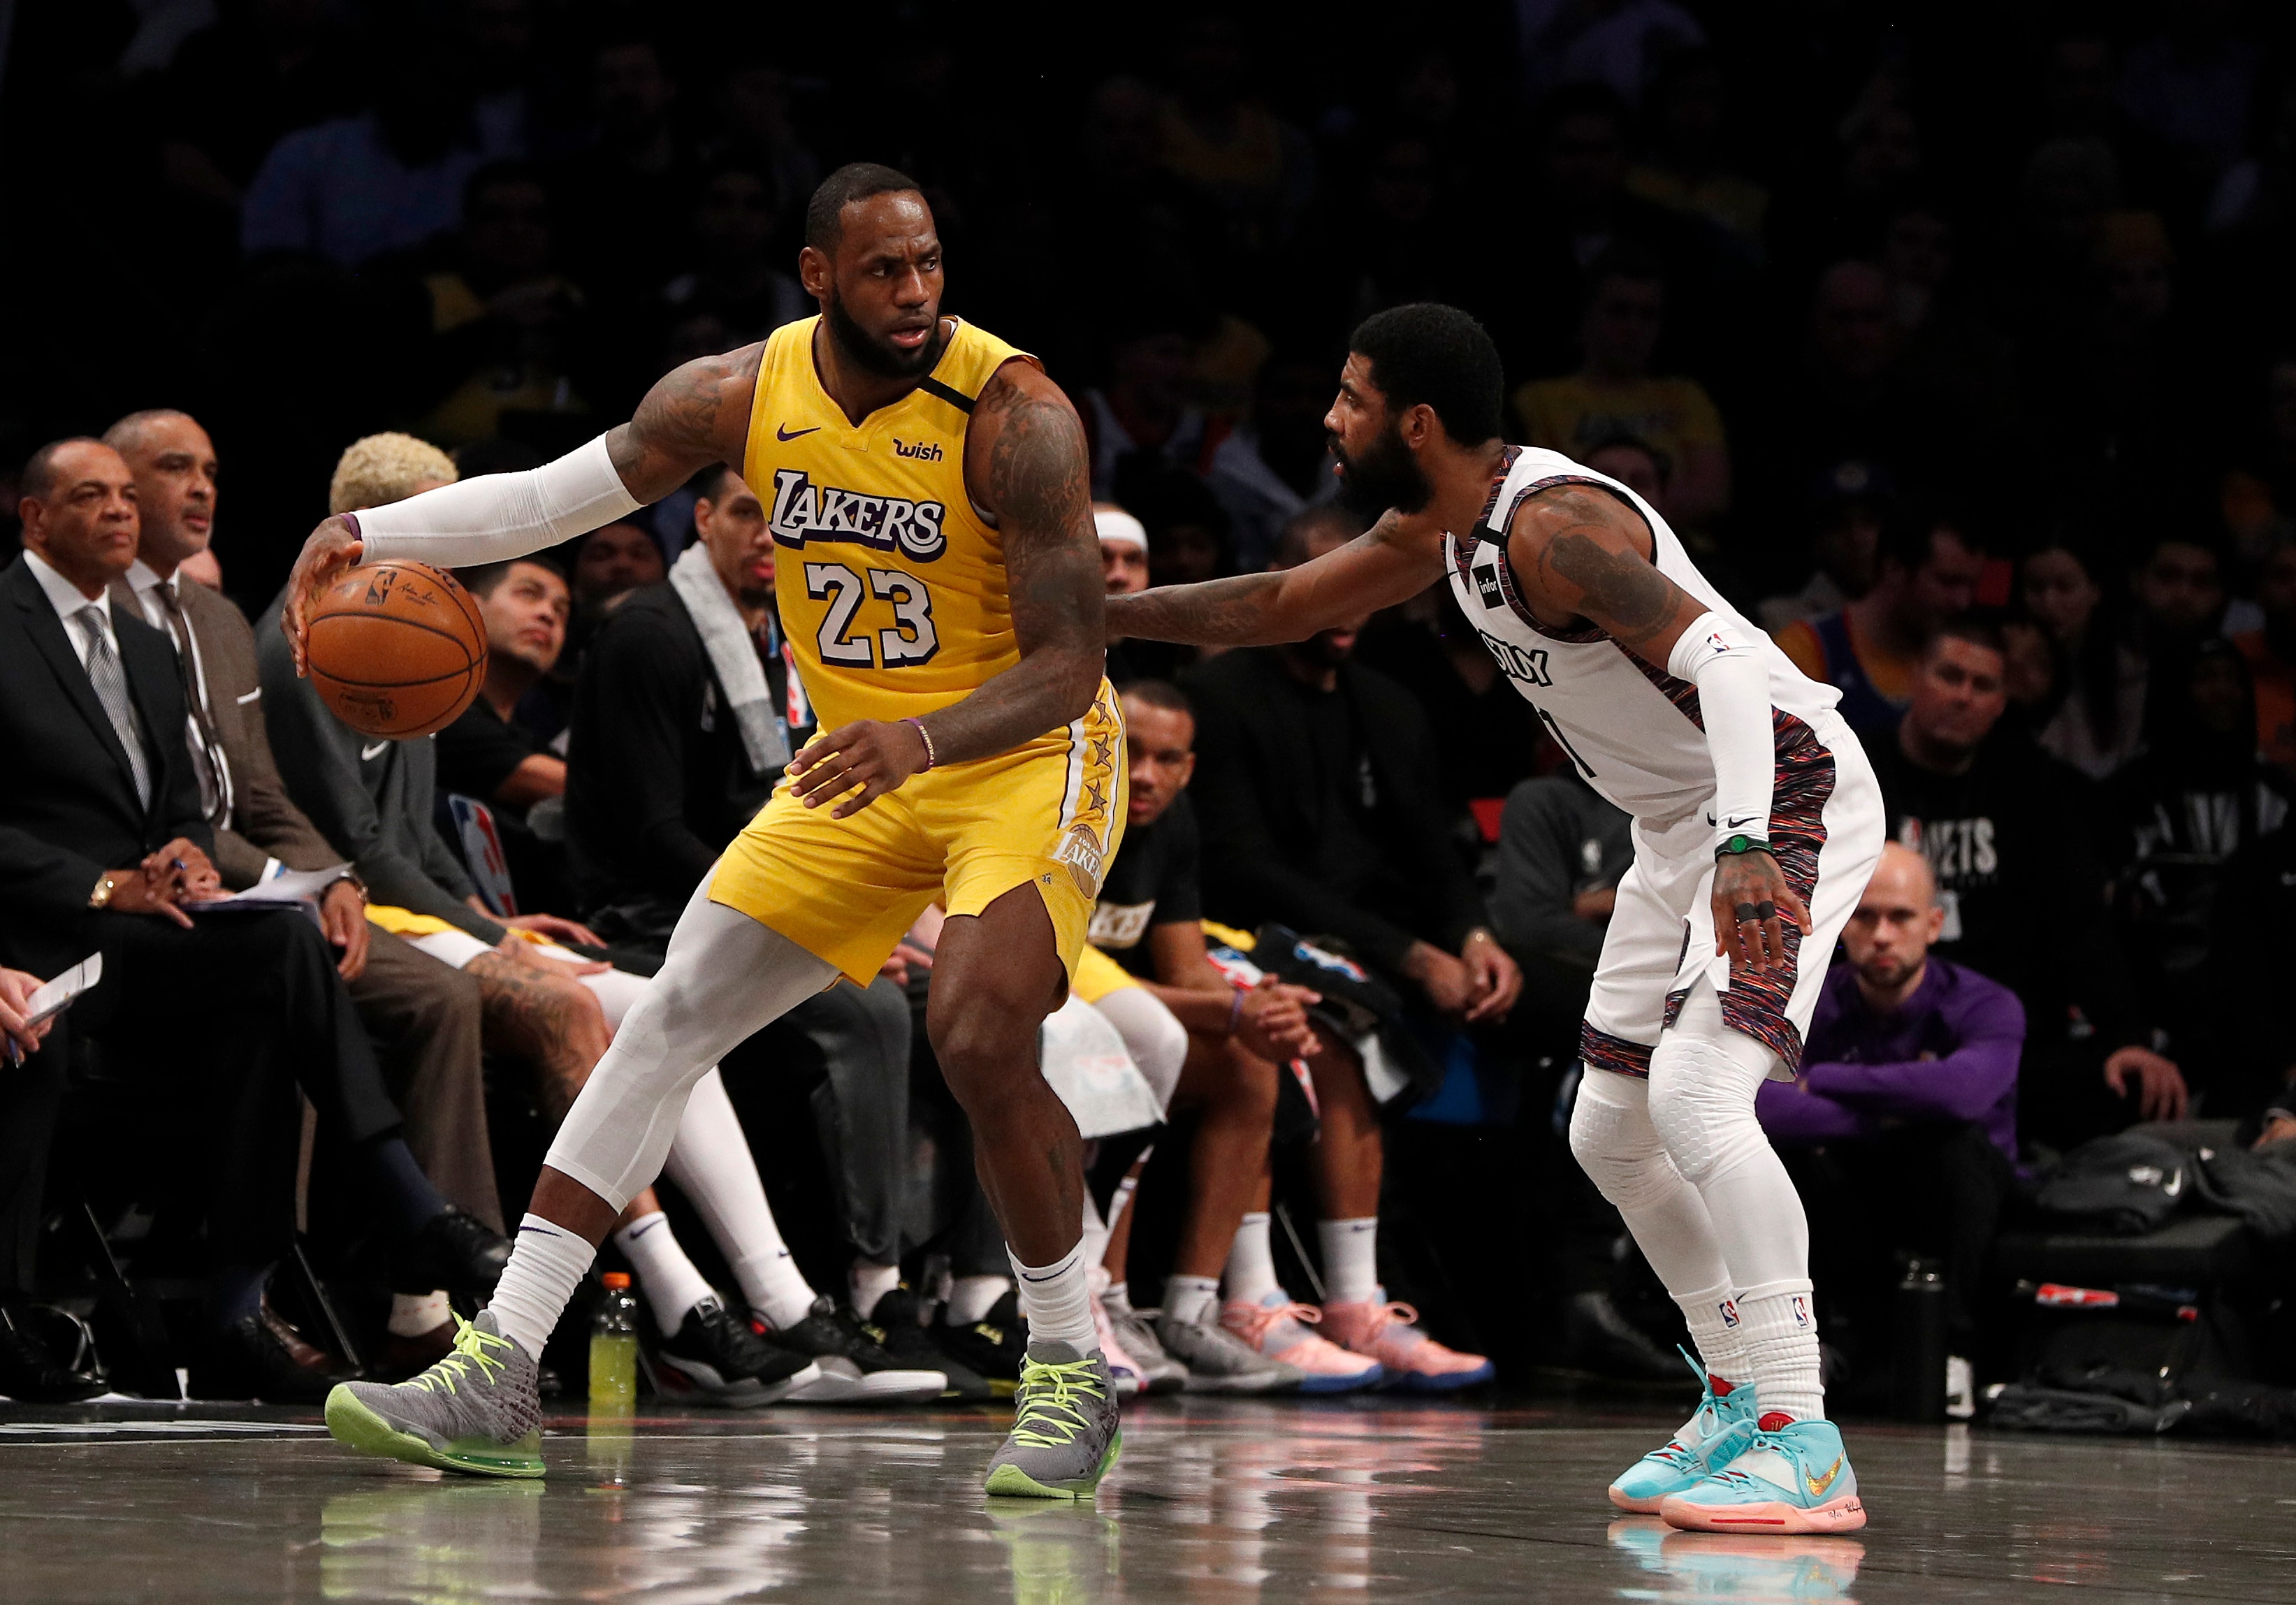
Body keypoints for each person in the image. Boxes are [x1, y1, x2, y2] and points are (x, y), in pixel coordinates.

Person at [287, 165, 1124, 1498]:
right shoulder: (738, 392)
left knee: (973, 1032)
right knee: (666, 1018)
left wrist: (918, 740)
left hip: (1020, 752)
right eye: (884, 270)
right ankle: (498, 1368)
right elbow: (551, 498)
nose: (915, 293)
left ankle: (1072, 1365)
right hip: (864, 764)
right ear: (817, 276)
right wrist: (363, 528)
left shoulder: (1018, 416)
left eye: (928, 265)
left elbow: (1071, 664)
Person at [1107, 303, 1884, 1534]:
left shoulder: (1554, 531)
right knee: (1609, 1132)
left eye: (1351, 399)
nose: (1329, 419)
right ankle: (1738, 1398)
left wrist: (1746, 844)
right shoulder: (1443, 527)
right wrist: (1100, 618)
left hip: (1781, 796)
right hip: (1677, 824)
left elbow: (1732, 664)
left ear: (1416, 422)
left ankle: (1803, 1434)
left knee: (1695, 1099)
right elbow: (1282, 602)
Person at [263, 435, 856, 1409]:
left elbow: (418, 838)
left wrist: (494, 917)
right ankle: (678, 1299)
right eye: (446, 513)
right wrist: (497, 939)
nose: (469, 537)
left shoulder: (420, 616)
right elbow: (362, 848)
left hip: (421, 908)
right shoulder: (320, 630)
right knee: (579, 1007)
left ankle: (776, 1292)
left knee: (669, 1001)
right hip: (345, 912)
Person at [0, 439, 504, 1401]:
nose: (119, 510)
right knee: (276, 955)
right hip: (41, 935)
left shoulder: (147, 646)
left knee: (266, 996)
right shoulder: (5, 626)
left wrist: (185, 856)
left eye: (125, 495)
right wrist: (105, 884)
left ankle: (238, 1302)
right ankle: (409, 1205)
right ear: (35, 517)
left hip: (146, 939)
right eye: (91, 495)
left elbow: (186, 809)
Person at [559, 459, 940, 1396]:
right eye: (746, 512)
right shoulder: (651, 634)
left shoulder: (793, 637)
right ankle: (867, 1287)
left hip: (761, 894)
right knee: (868, 1011)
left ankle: (962, 1293)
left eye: (789, 516)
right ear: (701, 520)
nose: (771, 534)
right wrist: (812, 929)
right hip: (652, 914)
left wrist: (861, 913)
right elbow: (653, 834)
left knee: (952, 999)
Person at [1082, 681, 1444, 1393]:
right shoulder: (1069, 813)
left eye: (1167, 759)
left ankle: (1198, 1312)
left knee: (1249, 1061)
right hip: (1053, 1011)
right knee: (1132, 1055)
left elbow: (1185, 964)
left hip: (1129, 1009)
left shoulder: (1173, 823)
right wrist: (1232, 1011)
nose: (1146, 774)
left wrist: (1260, 1009)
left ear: (1189, 768)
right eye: (1130, 751)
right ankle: (1108, 1302)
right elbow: (1064, 969)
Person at [1867, 620, 2188, 1143]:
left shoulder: (2033, 786)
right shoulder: (1856, 774)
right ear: (1915, 676)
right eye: (1950, 676)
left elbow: (2081, 927)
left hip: (2006, 1038)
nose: (1964, 696)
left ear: (2001, 702)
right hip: (1877, 1025)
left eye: (1983, 685)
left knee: (2124, 1085)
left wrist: (2125, 1037)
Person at [1757, 844, 2023, 1378]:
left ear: (1933, 924)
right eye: (1865, 916)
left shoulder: (1985, 1003)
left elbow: (1962, 1094)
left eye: (1900, 917)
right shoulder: (1807, 1003)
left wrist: (1824, 1081)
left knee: (1954, 1147)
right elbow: (1757, 1101)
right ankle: (1804, 1347)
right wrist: (1899, 1111)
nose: (1882, 935)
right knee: (1778, 1156)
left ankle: (1955, 1356)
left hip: (1957, 1197)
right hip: (1850, 1190)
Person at [1773, 511, 1986, 737]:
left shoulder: (1968, 660)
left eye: (1971, 586)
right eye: (1948, 582)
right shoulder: (1808, 649)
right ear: (1895, 569)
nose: (1963, 602)